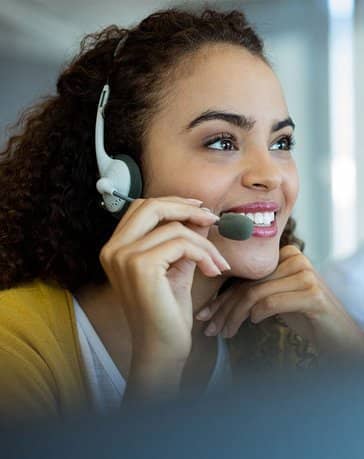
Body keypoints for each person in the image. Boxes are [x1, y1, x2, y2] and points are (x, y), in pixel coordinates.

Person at [1, 7, 363, 424]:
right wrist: (157, 368)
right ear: (122, 173)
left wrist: (347, 350)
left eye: (281, 143)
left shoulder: (274, 339)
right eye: (222, 142)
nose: (269, 175)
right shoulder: (13, 345)